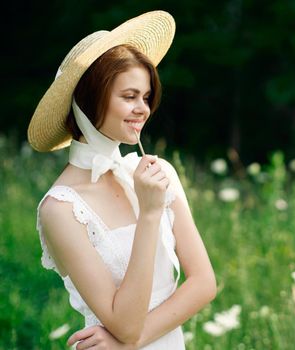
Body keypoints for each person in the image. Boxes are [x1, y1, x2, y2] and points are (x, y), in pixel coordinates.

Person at [27, 11, 216, 349]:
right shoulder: (61, 209)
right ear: (89, 100)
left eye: (145, 97)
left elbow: (203, 283)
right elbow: (125, 324)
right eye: (129, 97)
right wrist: (149, 213)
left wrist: (126, 343)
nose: (143, 108)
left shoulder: (158, 174)